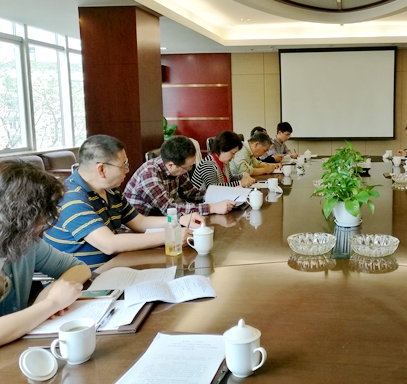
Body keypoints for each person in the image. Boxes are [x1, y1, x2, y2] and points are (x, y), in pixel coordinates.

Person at [45, 135, 204, 269]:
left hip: (112, 267)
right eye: (124, 165)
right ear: (102, 169)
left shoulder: (111, 190)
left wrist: (179, 220)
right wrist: (170, 236)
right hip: (81, 283)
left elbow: (140, 222)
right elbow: (109, 244)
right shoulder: (71, 198)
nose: (127, 170)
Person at [0, 160, 91, 346]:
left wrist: (48, 298)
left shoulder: (25, 241)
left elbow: (79, 268)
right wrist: (51, 304)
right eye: (40, 215)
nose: (44, 222)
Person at [125, 135, 236, 218]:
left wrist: (225, 194)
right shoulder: (149, 175)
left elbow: (192, 193)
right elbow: (170, 209)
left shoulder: (177, 168)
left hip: (165, 222)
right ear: (171, 165)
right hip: (141, 229)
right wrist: (212, 207)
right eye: (187, 167)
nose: (189, 170)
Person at [191, 130, 256, 190]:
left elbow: (230, 179)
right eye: (233, 153)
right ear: (222, 148)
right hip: (201, 198)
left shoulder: (224, 162)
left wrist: (243, 175)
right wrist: (240, 183)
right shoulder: (208, 164)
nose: (233, 157)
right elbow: (214, 189)